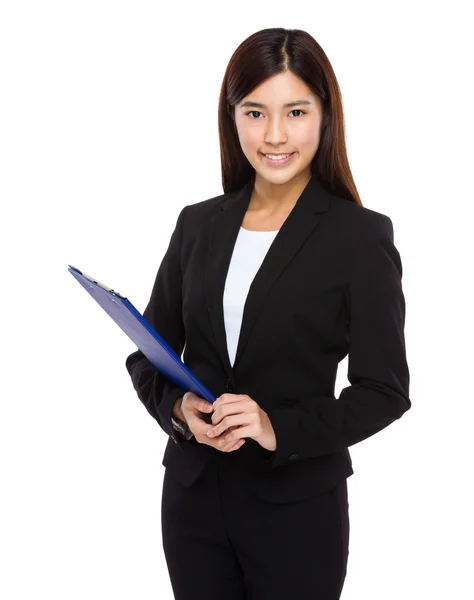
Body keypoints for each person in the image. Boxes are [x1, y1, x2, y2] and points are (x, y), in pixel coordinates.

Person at [125, 27, 411, 600]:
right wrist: (182, 409)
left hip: (297, 513)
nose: (274, 135)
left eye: (296, 111)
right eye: (254, 112)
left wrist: (273, 425)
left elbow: (385, 390)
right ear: (232, 117)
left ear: (325, 116)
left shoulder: (359, 237)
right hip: (193, 505)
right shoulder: (197, 225)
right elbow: (147, 357)